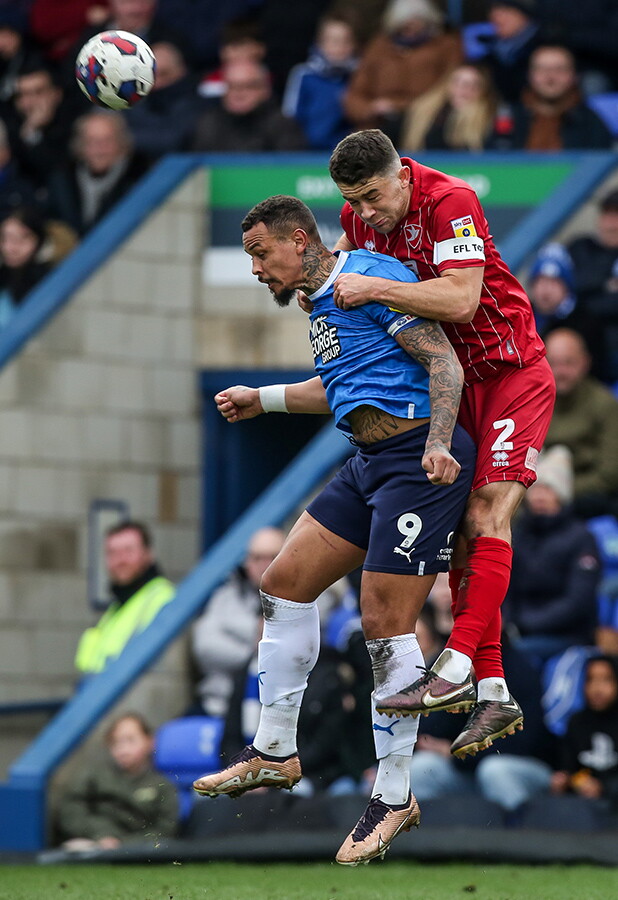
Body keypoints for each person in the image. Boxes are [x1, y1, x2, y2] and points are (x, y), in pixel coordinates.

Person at [193, 194, 476, 866]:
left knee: (383, 622)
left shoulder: (368, 281)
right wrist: (262, 399)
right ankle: (274, 750)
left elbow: (444, 362)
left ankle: (394, 795)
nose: (255, 268)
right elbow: (338, 387)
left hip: (417, 461)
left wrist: (439, 444)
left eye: (260, 252)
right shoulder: (319, 303)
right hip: (369, 462)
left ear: (298, 240)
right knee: (283, 582)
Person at [276, 128, 555, 757]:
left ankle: (454, 666)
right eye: (353, 201)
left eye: (374, 197)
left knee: (486, 516)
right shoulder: (359, 218)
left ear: (402, 174)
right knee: (461, 537)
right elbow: (338, 271)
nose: (365, 212)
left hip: (510, 372)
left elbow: (461, 300)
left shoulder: (450, 200)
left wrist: (373, 288)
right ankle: (494, 690)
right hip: (451, 387)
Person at [504, 445, 601, 669]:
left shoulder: (581, 537)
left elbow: (578, 601)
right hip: (519, 632)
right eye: (535, 488)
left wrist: (526, 623)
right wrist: (510, 621)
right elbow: (507, 586)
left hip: (568, 636)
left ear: (561, 494)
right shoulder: (517, 533)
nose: (540, 496)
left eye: (548, 489)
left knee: (515, 660)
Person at [191, 527, 287, 718]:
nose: (264, 565)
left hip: (281, 710)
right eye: (257, 558)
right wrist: (255, 643)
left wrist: (237, 635)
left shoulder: (306, 599)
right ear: (247, 562)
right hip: (220, 706)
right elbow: (205, 647)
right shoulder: (225, 597)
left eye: (272, 557)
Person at [55, 712, 178, 849]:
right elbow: (71, 812)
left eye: (130, 740)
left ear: (150, 741)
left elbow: (165, 831)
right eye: (115, 742)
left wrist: (121, 844)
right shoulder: (92, 777)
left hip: (139, 851)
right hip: (94, 845)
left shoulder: (162, 786)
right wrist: (101, 835)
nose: (123, 749)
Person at [342, 0, 462, 138]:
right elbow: (356, 93)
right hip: (378, 122)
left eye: (417, 23)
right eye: (406, 26)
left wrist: (405, 106)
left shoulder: (445, 46)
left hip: (424, 120)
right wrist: (371, 108)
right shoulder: (378, 47)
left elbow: (449, 84)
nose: (411, 30)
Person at [75, 520, 175, 676]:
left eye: (128, 551)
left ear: (148, 555)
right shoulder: (117, 608)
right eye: (112, 553)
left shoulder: (162, 597)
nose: (120, 560)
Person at [544, 328, 618, 519]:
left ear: (585, 362)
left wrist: (557, 492)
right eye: (553, 363)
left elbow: (609, 474)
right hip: (536, 492)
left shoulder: (605, 404)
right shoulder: (534, 404)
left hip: (585, 499)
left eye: (569, 363)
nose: (560, 372)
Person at [489, 44, 613, 151]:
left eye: (559, 70)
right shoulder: (508, 116)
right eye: (542, 69)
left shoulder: (591, 122)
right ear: (530, 75)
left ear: (574, 76)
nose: (550, 77)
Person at [46, 110, 150, 235]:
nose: (100, 149)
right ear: (80, 145)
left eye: (107, 141)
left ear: (121, 143)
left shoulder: (141, 179)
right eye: (92, 141)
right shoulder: (62, 180)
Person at [190, 60, 306, 153]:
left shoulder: (282, 126)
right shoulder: (209, 124)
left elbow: (290, 168)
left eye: (249, 86)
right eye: (232, 86)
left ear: (266, 90)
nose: (239, 94)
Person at [282, 12, 359, 151]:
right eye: (334, 41)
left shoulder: (357, 75)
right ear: (320, 43)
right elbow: (290, 116)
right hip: (305, 152)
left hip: (345, 153)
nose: (340, 47)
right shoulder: (304, 75)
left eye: (346, 41)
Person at [551, 655, 618, 814]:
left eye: (606, 679)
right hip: (582, 804)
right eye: (590, 680)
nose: (597, 688)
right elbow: (570, 768)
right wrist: (576, 780)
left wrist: (602, 786)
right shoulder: (577, 722)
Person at [567, 188, 618, 386]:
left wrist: (592, 294)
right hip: (584, 354)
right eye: (607, 214)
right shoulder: (581, 248)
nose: (612, 223)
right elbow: (572, 295)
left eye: (617, 215)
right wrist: (606, 284)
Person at [123, 42, 201, 159]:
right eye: (150, 75)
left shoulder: (195, 105)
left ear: (181, 72)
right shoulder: (136, 102)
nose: (157, 83)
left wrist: (122, 139)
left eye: (164, 74)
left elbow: (174, 140)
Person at [400, 63, 497, 151]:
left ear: (482, 91)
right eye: (457, 82)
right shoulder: (424, 113)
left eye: (471, 85)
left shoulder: (488, 120)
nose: (463, 89)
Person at [0, 205, 51, 329]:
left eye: (20, 239)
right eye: (5, 238)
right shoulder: (3, 275)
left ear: (38, 240)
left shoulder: (46, 281)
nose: (10, 248)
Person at [527, 242, 579, 337]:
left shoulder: (580, 321)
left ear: (567, 288)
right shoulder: (521, 317)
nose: (546, 289)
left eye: (554, 282)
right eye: (541, 281)